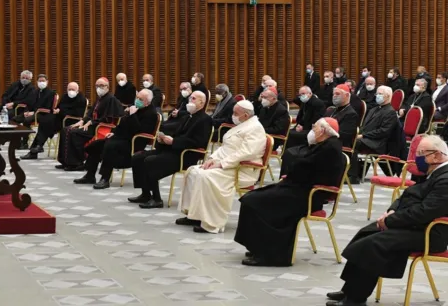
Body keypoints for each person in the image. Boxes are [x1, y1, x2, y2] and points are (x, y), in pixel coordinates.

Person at [325, 135, 448, 306]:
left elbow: (425, 212)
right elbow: (408, 195)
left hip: (430, 233)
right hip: (416, 226)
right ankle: (350, 288)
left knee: (374, 244)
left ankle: (356, 299)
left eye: (421, 153)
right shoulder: (433, 172)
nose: (416, 158)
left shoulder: (445, 179)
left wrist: (391, 221)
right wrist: (391, 211)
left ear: (437, 155)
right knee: (366, 233)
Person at [235, 118, 345, 267]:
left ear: (323, 131)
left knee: (256, 202)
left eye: (315, 127)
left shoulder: (330, 148)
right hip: (299, 188)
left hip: (309, 195)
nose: (312, 130)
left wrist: (293, 169)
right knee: (252, 198)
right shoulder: (324, 145)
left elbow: (308, 169)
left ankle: (272, 255)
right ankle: (259, 247)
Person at [176, 100, 266, 234]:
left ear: (246, 115)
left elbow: (246, 152)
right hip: (228, 165)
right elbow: (225, 147)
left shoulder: (255, 128)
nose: (233, 115)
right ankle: (194, 215)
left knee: (205, 176)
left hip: (242, 169)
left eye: (236, 113)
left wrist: (222, 164)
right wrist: (212, 159)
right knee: (193, 171)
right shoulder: (243, 124)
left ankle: (211, 223)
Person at [129, 91, 213, 209]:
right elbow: (177, 133)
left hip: (186, 155)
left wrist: (173, 141)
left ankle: (157, 199)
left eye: (193, 99)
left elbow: (197, 142)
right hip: (173, 150)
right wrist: (163, 139)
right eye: (189, 99)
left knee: (149, 161)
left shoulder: (205, 120)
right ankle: (146, 193)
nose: (190, 101)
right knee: (138, 157)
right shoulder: (187, 116)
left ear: (201, 102)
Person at [73, 89, 159, 189]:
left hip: (134, 142)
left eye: (141, 99)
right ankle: (90, 175)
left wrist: (133, 115)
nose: (137, 100)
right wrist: (113, 133)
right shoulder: (135, 108)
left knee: (110, 146)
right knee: (95, 145)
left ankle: (105, 179)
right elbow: (121, 124)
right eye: (137, 98)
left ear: (147, 102)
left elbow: (138, 130)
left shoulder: (151, 113)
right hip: (122, 138)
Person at [56, 78, 124, 171]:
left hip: (100, 127)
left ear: (107, 87)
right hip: (91, 125)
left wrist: (91, 122)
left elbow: (109, 118)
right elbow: (90, 113)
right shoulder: (100, 99)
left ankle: (77, 163)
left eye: (101, 86)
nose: (99, 88)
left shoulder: (111, 99)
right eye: (97, 86)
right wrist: (82, 121)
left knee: (74, 133)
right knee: (66, 129)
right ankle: (65, 161)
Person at [21, 82, 87, 160]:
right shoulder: (65, 96)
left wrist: (61, 111)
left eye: (73, 89)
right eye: (69, 89)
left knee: (47, 125)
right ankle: (37, 148)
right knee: (44, 121)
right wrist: (57, 110)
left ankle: (35, 150)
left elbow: (78, 114)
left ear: (77, 90)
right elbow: (59, 107)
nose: (71, 91)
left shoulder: (81, 99)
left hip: (70, 121)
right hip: (59, 119)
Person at [348, 86, 398, 183]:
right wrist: (358, 133)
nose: (377, 96)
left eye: (380, 94)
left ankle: (353, 176)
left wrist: (363, 136)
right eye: (377, 94)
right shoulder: (373, 109)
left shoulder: (390, 112)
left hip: (377, 142)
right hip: (368, 139)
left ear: (387, 96)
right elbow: (364, 126)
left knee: (354, 143)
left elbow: (384, 131)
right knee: (348, 140)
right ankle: (347, 172)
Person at [13, 74, 55, 149]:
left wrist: (34, 112)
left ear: (47, 82)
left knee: (26, 120)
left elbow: (48, 107)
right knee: (15, 119)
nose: (41, 82)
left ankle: (25, 143)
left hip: (43, 114)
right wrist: (26, 111)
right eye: (40, 81)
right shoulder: (35, 92)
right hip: (33, 112)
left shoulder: (51, 93)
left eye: (43, 81)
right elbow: (29, 103)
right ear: (37, 82)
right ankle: (17, 141)